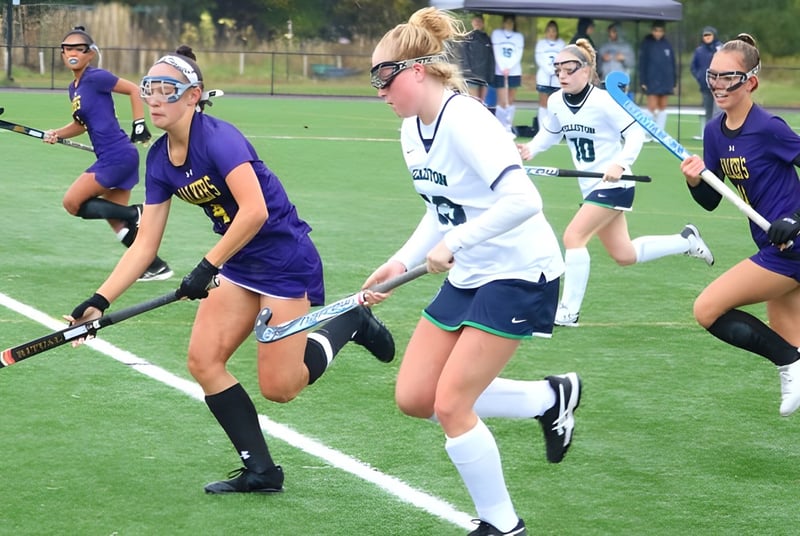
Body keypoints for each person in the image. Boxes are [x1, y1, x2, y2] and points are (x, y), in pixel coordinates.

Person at [67, 45, 397, 493]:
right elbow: (145, 242)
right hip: (239, 261)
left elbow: (255, 212)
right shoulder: (160, 158)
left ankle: (349, 319)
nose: (155, 99)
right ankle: (262, 471)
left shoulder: (219, 138)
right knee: (204, 361)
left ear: (193, 96)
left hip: (283, 260)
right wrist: (100, 300)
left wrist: (207, 265)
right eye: (149, 90)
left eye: (167, 90)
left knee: (282, 387)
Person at [368, 8, 581, 535]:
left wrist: (456, 242)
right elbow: (438, 206)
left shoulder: (466, 119)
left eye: (383, 76)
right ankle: (549, 398)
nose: (379, 90)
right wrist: (402, 259)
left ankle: (503, 525)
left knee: (451, 404)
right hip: (471, 272)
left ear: (416, 69)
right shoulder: (410, 131)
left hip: (519, 271)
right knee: (415, 397)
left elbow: (523, 200)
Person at [519, 39, 714, 327]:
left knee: (573, 237)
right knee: (624, 254)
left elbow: (636, 133)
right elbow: (549, 133)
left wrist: (620, 163)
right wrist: (529, 150)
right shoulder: (557, 101)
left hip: (616, 184)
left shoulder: (604, 101)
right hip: (591, 187)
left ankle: (568, 312)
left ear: (585, 70)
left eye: (569, 69)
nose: (562, 75)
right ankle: (685, 241)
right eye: (557, 69)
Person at [679, 33, 800, 417]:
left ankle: (790, 364)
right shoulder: (715, 132)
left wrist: (795, 219)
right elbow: (711, 202)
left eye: (727, 76)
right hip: (772, 247)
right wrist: (694, 180)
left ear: (750, 81)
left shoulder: (770, 128)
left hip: (793, 248)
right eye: (713, 75)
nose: (717, 84)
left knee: (707, 309)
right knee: (792, 340)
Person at [44, 26, 172, 282]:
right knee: (116, 221)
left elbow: (134, 90)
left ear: (89, 54)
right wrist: (56, 133)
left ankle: (136, 213)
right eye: (66, 48)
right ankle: (155, 266)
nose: (71, 53)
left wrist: (139, 124)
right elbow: (80, 125)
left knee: (72, 203)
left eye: (78, 49)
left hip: (117, 156)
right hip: (114, 157)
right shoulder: (75, 87)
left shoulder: (96, 77)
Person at [638, 21, 676, 136]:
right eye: (656, 30)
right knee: (651, 107)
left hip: (666, 80)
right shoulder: (646, 44)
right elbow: (642, 63)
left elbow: (672, 64)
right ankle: (646, 133)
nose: (658, 33)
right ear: (652, 31)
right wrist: (643, 80)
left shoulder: (667, 44)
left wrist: (674, 81)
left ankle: (660, 134)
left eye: (660, 31)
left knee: (663, 107)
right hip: (651, 79)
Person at [491, 14, 524, 134]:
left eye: (511, 22)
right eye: (507, 22)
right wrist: (502, 67)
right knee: (502, 100)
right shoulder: (497, 34)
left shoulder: (518, 37)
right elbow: (496, 52)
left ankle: (508, 125)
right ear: (503, 23)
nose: (509, 24)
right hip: (500, 71)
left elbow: (518, 53)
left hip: (514, 71)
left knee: (510, 99)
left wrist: (509, 67)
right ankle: (500, 126)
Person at [690, 26, 723, 135]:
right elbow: (693, 67)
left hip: (719, 86)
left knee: (719, 111)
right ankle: (709, 134)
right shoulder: (699, 51)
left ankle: (720, 133)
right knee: (708, 111)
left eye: (709, 35)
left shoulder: (721, 49)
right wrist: (700, 77)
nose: (707, 37)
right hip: (705, 85)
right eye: (705, 35)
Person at [533, 20, 564, 136]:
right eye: (549, 31)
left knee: (555, 104)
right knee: (543, 103)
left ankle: (555, 130)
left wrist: (556, 69)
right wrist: (549, 70)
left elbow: (563, 58)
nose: (551, 33)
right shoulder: (541, 44)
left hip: (557, 78)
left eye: (554, 31)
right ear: (546, 32)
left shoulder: (561, 44)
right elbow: (539, 59)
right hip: (544, 77)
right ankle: (542, 130)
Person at [458, 13, 494, 103]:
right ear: (472, 22)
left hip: (484, 76)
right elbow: (464, 57)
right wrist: (468, 73)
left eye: (480, 21)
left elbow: (490, 58)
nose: (478, 23)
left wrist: (490, 75)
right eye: (476, 21)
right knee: (474, 102)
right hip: (472, 76)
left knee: (482, 102)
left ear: (483, 23)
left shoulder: (487, 39)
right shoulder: (467, 38)